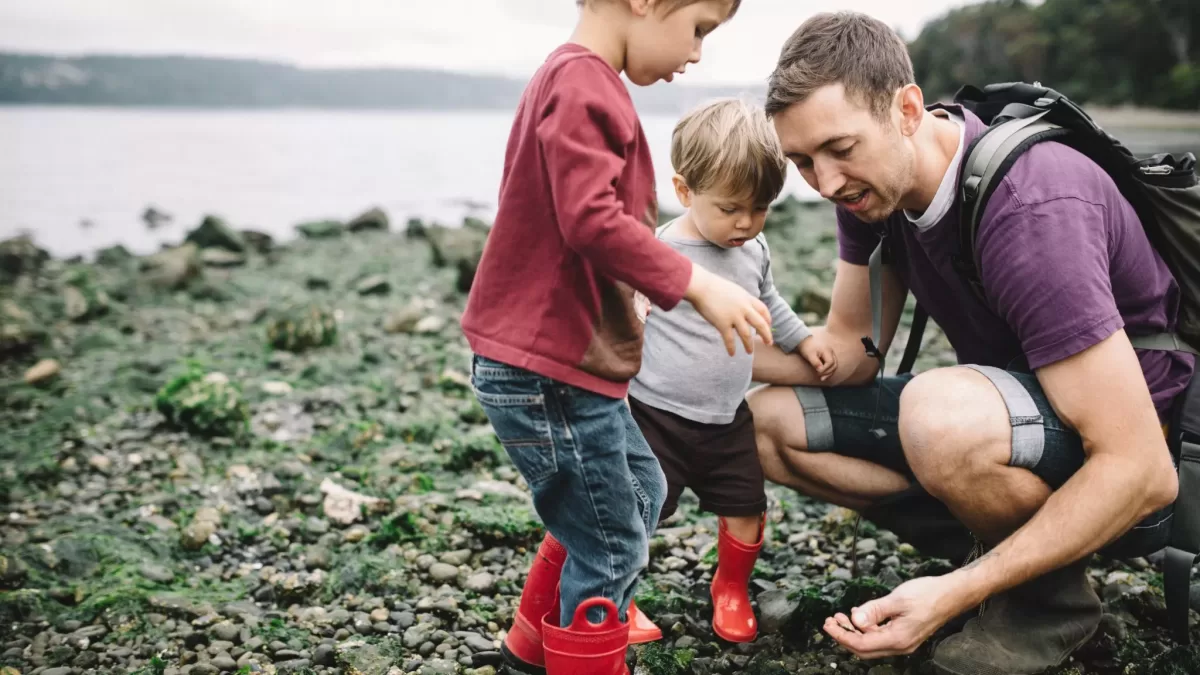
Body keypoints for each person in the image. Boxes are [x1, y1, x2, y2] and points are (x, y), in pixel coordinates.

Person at [746, 11, 1192, 674]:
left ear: (906, 108)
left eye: (841, 148)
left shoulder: (1031, 206)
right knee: (763, 422)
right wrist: (696, 339)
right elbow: (848, 350)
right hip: (1014, 415)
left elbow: (1143, 468)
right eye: (804, 161)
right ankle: (1008, 554)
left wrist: (947, 598)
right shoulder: (872, 196)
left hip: (1132, 440)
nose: (827, 182)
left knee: (938, 416)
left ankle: (1044, 604)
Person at [460, 1, 774, 673]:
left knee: (639, 489)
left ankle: (530, 645)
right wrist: (695, 281)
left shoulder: (575, 80)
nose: (695, 53)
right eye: (698, 29)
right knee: (612, 545)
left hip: (567, 368)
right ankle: (585, 661)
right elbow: (589, 219)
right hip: (548, 370)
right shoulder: (584, 84)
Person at [626, 97, 835, 644]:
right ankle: (616, 597)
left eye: (760, 207)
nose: (746, 222)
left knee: (747, 509)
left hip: (726, 418)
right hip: (657, 416)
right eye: (730, 208)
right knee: (636, 512)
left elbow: (769, 300)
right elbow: (626, 319)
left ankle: (731, 587)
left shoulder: (754, 246)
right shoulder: (662, 252)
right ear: (685, 191)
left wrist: (802, 339)